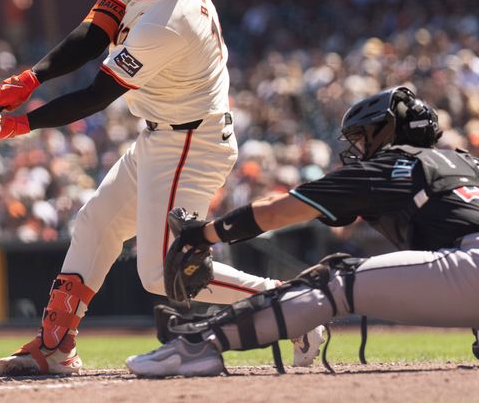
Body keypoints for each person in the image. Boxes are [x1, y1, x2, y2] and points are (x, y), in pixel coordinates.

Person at [0, 0, 322, 377]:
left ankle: (294, 305)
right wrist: (33, 78)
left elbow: (97, 95)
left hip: (190, 143)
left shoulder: (171, 20)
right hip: (162, 136)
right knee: (95, 223)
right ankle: (55, 347)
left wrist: (24, 124)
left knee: (162, 272)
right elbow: (96, 30)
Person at [127, 86, 479, 377]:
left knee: (333, 279)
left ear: (388, 131)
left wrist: (203, 235)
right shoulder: (467, 161)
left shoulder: (398, 164)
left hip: (471, 265)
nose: (357, 147)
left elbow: (280, 210)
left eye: (363, 136)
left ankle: (201, 342)